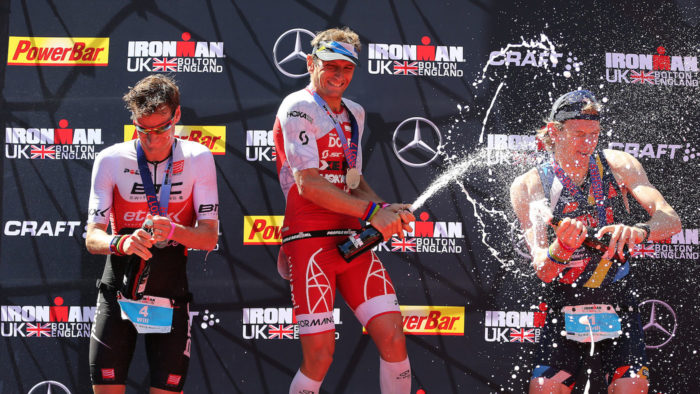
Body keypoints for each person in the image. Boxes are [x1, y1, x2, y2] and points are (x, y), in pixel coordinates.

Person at [272, 27, 415, 394]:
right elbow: (308, 184)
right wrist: (372, 212)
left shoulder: (355, 112)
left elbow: (353, 178)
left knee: (393, 337)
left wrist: (385, 208)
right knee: (320, 356)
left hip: (352, 239)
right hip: (310, 242)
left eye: (347, 68)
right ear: (310, 63)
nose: (339, 75)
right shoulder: (298, 106)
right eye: (330, 66)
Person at [510, 89, 681, 394]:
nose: (588, 143)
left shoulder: (618, 165)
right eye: (579, 134)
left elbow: (671, 220)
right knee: (544, 388)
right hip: (565, 303)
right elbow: (543, 270)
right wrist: (561, 247)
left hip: (618, 300)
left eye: (595, 134)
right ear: (555, 132)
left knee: (632, 387)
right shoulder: (529, 184)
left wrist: (639, 231)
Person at [85, 74, 219, 393]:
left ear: (178, 116)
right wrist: (121, 242)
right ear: (134, 121)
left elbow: (209, 237)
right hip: (118, 290)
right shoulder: (110, 159)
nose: (153, 140)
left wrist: (173, 229)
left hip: (170, 292)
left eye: (161, 129)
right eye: (143, 130)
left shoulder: (199, 158)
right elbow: (92, 238)